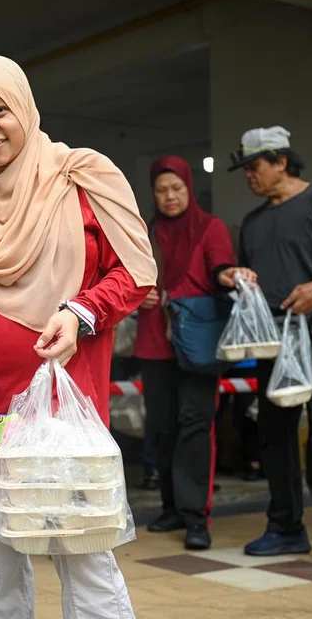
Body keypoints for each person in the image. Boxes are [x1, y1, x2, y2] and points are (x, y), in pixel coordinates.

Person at [0, 55, 156, 619]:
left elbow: (136, 272)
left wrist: (81, 311)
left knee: (84, 554)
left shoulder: (83, 178)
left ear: (24, 108)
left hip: (66, 411)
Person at [219, 126, 312, 571]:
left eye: (255, 166)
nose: (249, 175)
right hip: (273, 337)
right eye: (245, 169)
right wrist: (236, 275)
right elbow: (252, 268)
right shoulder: (254, 221)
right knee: (274, 432)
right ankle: (286, 528)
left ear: (282, 161)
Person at [134, 156, 235, 550]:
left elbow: (221, 269)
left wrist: (231, 275)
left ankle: (196, 517)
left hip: (197, 340)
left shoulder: (210, 228)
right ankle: (171, 507)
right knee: (163, 425)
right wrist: (138, 296)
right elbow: (129, 279)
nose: (170, 196)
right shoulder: (147, 231)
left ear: (189, 188)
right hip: (155, 341)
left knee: (195, 426)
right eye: (161, 190)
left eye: (177, 188)